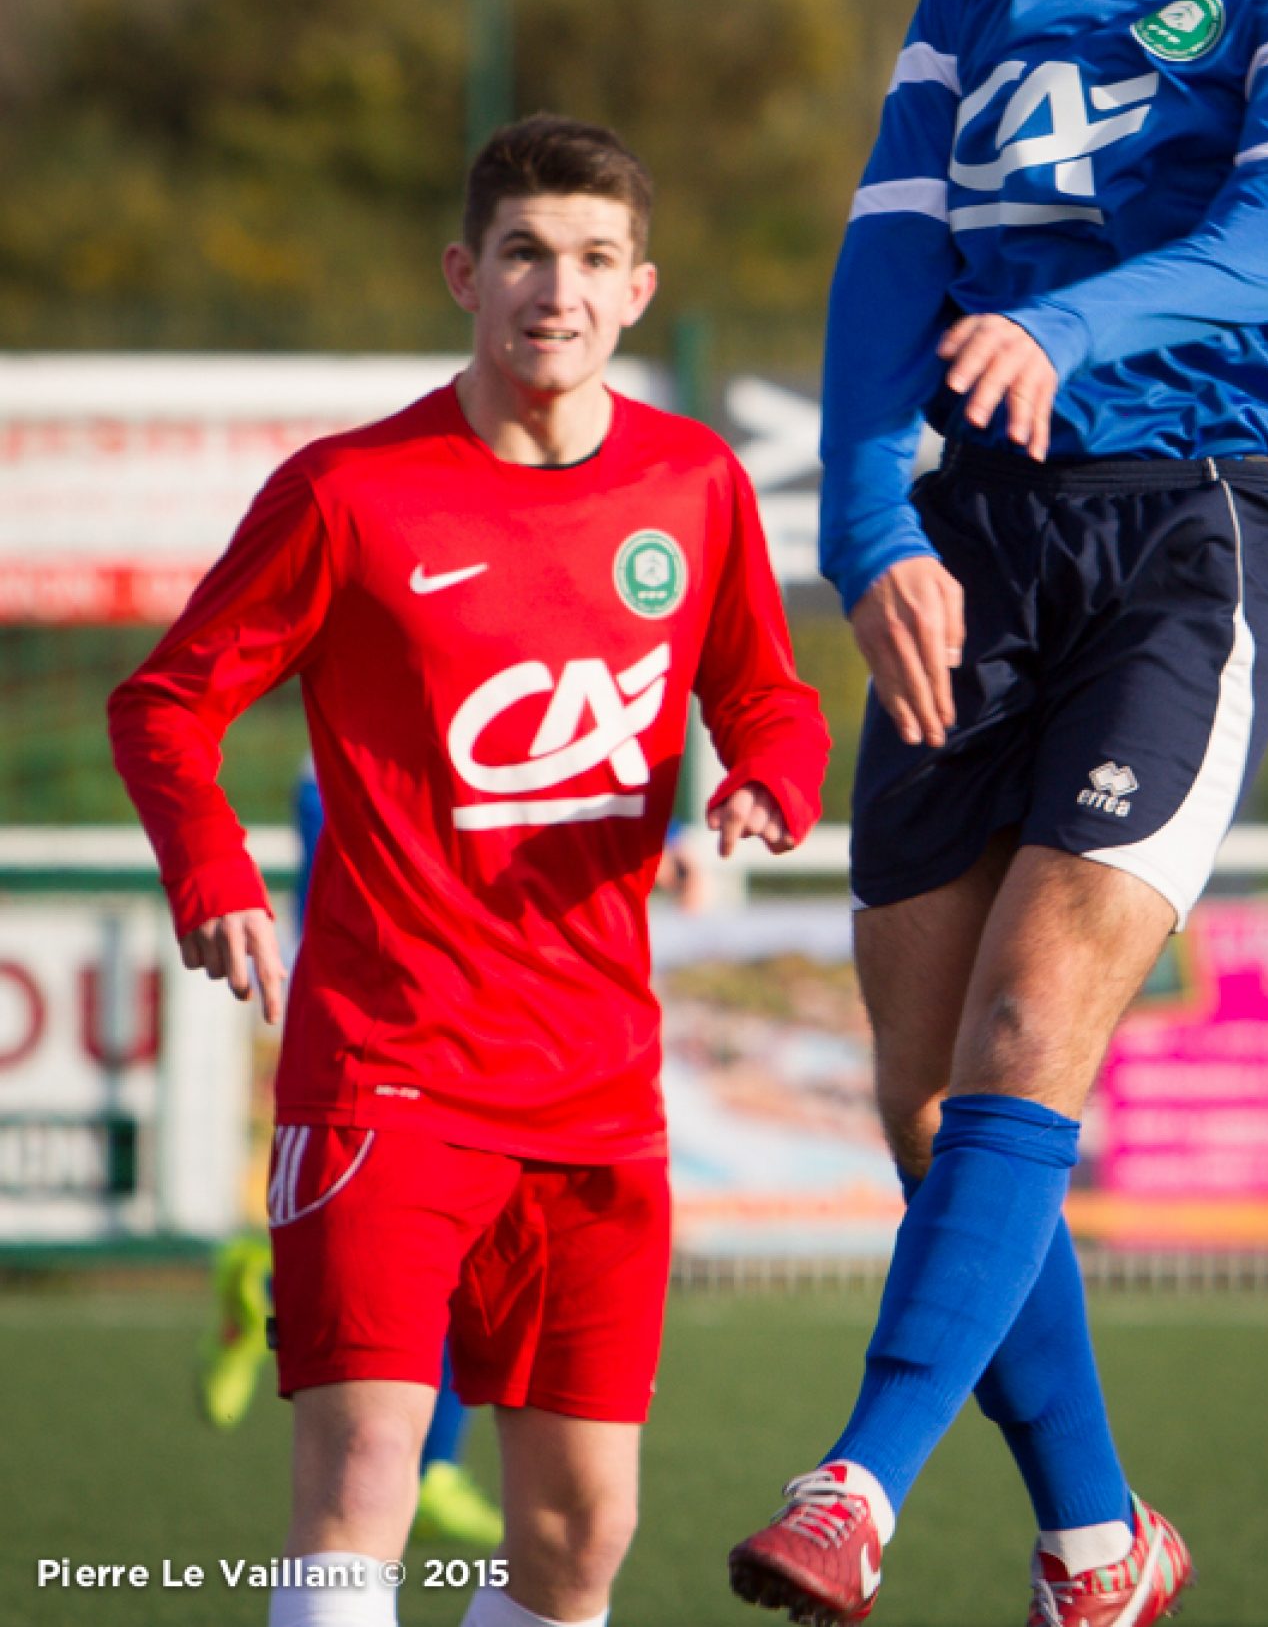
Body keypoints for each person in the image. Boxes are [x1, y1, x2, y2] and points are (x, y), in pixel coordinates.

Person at [728, 0, 1268, 1627]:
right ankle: (1100, 1544)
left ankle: (853, 1481)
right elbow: (881, 279)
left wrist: (1073, 322)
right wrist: (872, 531)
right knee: (929, 1101)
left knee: (1031, 1025)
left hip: (1184, 538)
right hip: (973, 550)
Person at [111, 113, 830, 1627]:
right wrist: (213, 871)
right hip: (389, 1068)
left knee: (580, 1534)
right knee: (365, 1471)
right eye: (523, 254)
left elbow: (767, 691)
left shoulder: (696, 483)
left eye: (592, 258)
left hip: (598, 1087)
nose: (556, 291)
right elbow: (164, 701)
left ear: (638, 288)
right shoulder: (350, 492)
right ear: (463, 273)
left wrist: (772, 775)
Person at [194, 757, 506, 1553]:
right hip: (372, 807)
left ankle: (436, 1464)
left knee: (466, 1211)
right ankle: (274, 1285)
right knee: (420, 1190)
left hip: (479, 827)